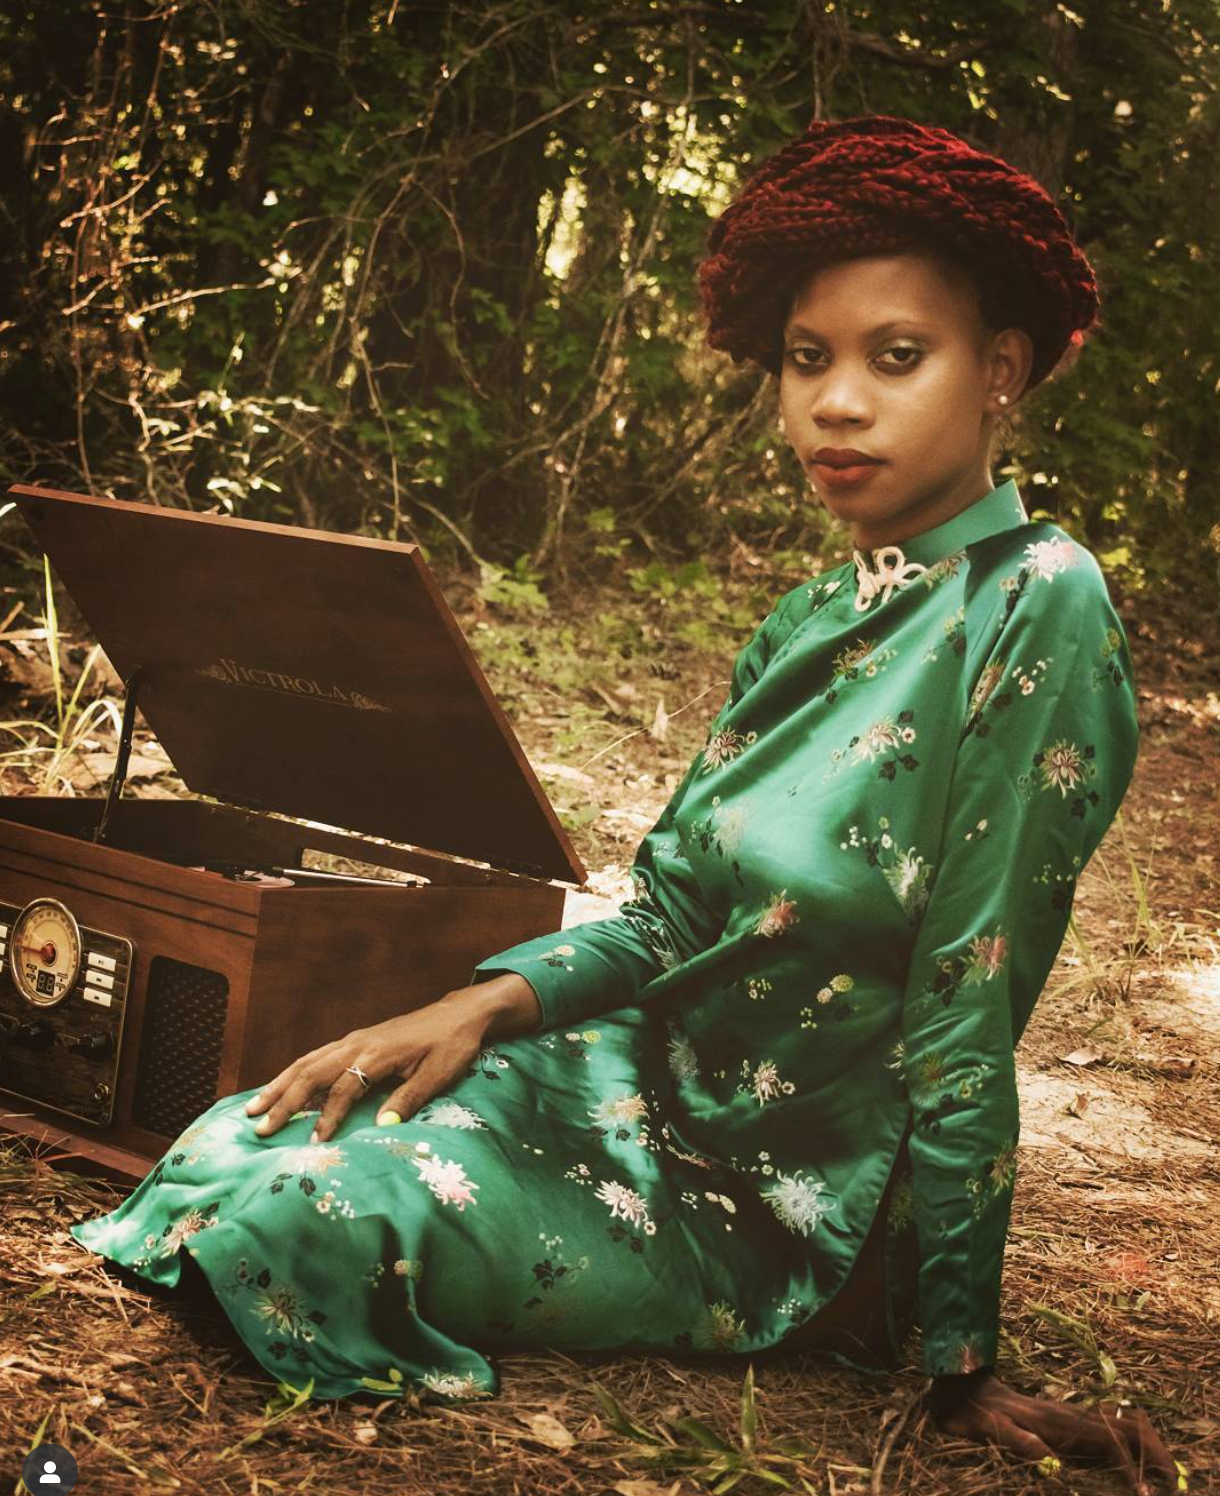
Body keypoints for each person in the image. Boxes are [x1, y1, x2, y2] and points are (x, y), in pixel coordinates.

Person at [69, 114, 1181, 1491]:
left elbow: (971, 990)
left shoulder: (1037, 601)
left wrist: (962, 1356)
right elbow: (669, 915)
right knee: (248, 1140)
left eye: (897, 357)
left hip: (798, 1205)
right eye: (808, 359)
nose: (837, 404)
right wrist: (477, 1005)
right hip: (634, 1092)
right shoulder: (805, 621)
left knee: (314, 1223)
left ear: (1000, 370)